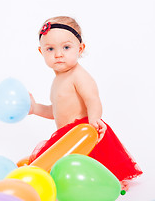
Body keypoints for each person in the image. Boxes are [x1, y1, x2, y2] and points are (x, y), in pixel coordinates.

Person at [28, 16, 143, 191]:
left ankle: (109, 182)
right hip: (65, 137)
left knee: (93, 164)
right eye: (50, 49)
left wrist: (95, 119)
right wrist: (35, 108)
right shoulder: (57, 81)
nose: (58, 54)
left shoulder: (78, 75)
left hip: (84, 132)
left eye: (66, 47)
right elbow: (56, 111)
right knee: (62, 168)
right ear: (41, 52)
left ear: (80, 48)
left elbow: (93, 99)